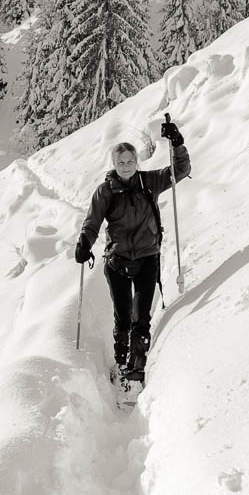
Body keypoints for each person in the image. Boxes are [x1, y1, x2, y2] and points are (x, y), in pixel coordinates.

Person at [74, 120, 190, 384]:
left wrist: (178, 143)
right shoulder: (105, 191)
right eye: (121, 162)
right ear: (114, 164)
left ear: (136, 161)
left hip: (148, 257)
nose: (126, 166)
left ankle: (136, 370)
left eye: (129, 161)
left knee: (141, 318)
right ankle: (121, 361)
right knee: (123, 317)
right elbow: (92, 221)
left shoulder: (150, 182)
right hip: (117, 261)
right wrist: (84, 242)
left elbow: (180, 170)